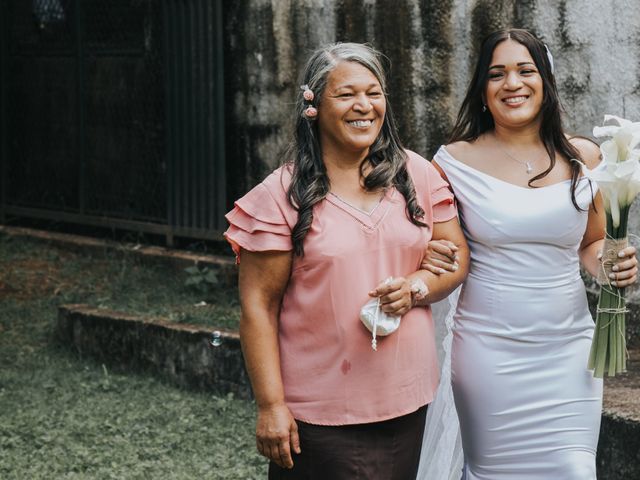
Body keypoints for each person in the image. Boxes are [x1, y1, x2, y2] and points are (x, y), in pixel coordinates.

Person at [224, 42, 469, 479]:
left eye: (374, 93)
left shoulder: (417, 173)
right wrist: (270, 405)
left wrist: (416, 287)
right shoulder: (280, 196)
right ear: (313, 105)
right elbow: (258, 307)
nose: (364, 106)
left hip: (406, 401)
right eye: (347, 94)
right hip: (318, 415)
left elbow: (455, 260)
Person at [418, 29, 638, 479]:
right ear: (482, 90)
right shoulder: (451, 162)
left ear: (546, 82)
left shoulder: (585, 157)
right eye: (496, 74)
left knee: (574, 471)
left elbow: (591, 243)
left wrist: (611, 265)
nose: (512, 83)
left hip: (569, 352)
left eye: (525, 70)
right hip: (487, 352)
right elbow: (442, 249)